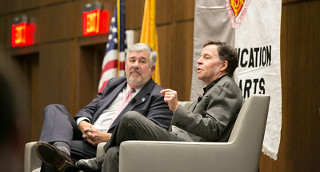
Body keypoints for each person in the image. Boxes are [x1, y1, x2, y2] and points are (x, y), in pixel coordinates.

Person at [76, 40, 244, 172]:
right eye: (200, 56)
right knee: (114, 154)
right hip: (180, 143)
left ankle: (99, 160)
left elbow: (213, 129)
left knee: (130, 118)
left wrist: (177, 109)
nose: (199, 61)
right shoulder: (214, 88)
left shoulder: (226, 87)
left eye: (207, 58)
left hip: (191, 150)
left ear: (223, 65)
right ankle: (103, 159)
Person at [35, 43, 173, 172]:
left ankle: (59, 153)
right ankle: (62, 151)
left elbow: (150, 137)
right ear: (126, 65)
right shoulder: (114, 84)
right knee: (54, 109)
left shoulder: (158, 96)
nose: (135, 65)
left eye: (142, 61)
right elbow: (88, 110)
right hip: (86, 136)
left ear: (152, 69)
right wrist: (84, 124)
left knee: (51, 155)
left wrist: (107, 137)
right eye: (132, 60)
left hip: (106, 147)